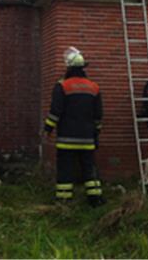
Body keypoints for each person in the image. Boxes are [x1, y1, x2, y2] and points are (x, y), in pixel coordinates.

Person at [43, 47, 104, 206]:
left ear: (68, 68)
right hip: (87, 139)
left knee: (65, 170)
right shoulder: (94, 87)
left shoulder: (62, 86)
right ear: (83, 68)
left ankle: (63, 200)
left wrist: (48, 129)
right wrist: (96, 132)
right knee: (89, 168)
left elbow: (55, 112)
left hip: (66, 139)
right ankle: (95, 199)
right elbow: (98, 115)